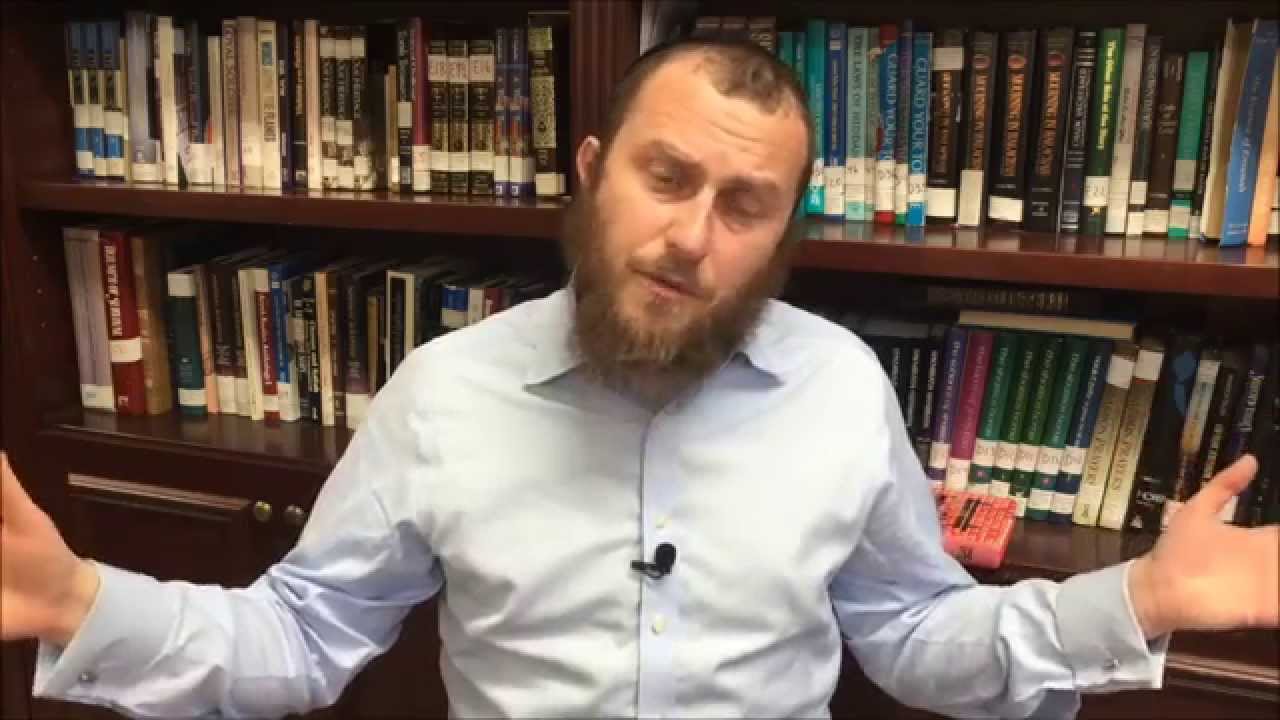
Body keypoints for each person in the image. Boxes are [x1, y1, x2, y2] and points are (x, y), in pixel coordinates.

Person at [2, 36, 1277, 719]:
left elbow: (914, 635)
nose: (689, 236)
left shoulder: (840, 388)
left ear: (780, 236)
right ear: (591, 170)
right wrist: (80, 604)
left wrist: (1136, 600)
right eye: (664, 178)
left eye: (743, 204)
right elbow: (299, 634)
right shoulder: (442, 392)